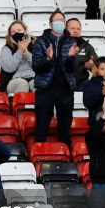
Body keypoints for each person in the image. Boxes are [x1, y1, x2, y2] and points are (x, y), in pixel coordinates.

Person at [32, 11, 78, 143]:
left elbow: (72, 68)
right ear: (50, 24)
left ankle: (65, 158)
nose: (59, 23)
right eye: (56, 20)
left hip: (65, 88)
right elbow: (36, 66)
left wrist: (70, 57)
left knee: (65, 129)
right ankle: (39, 157)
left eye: (62, 21)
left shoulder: (71, 41)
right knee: (41, 127)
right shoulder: (41, 42)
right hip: (45, 88)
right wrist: (47, 58)